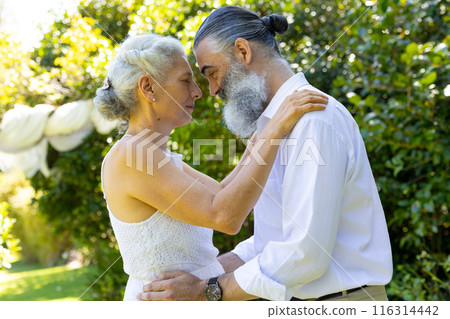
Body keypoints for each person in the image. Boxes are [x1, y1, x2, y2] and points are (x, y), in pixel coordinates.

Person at [140, 6, 393, 301]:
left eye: (212, 73)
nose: (212, 90)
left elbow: (303, 254)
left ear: (243, 51)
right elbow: (273, 239)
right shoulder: (273, 126)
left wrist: (205, 291)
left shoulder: (313, 120)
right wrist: (208, 272)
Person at [94, 33, 328, 300]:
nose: (198, 90)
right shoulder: (132, 155)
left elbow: (222, 192)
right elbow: (225, 216)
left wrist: (261, 136)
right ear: (148, 87)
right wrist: (272, 133)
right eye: (185, 80)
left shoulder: (152, 154)